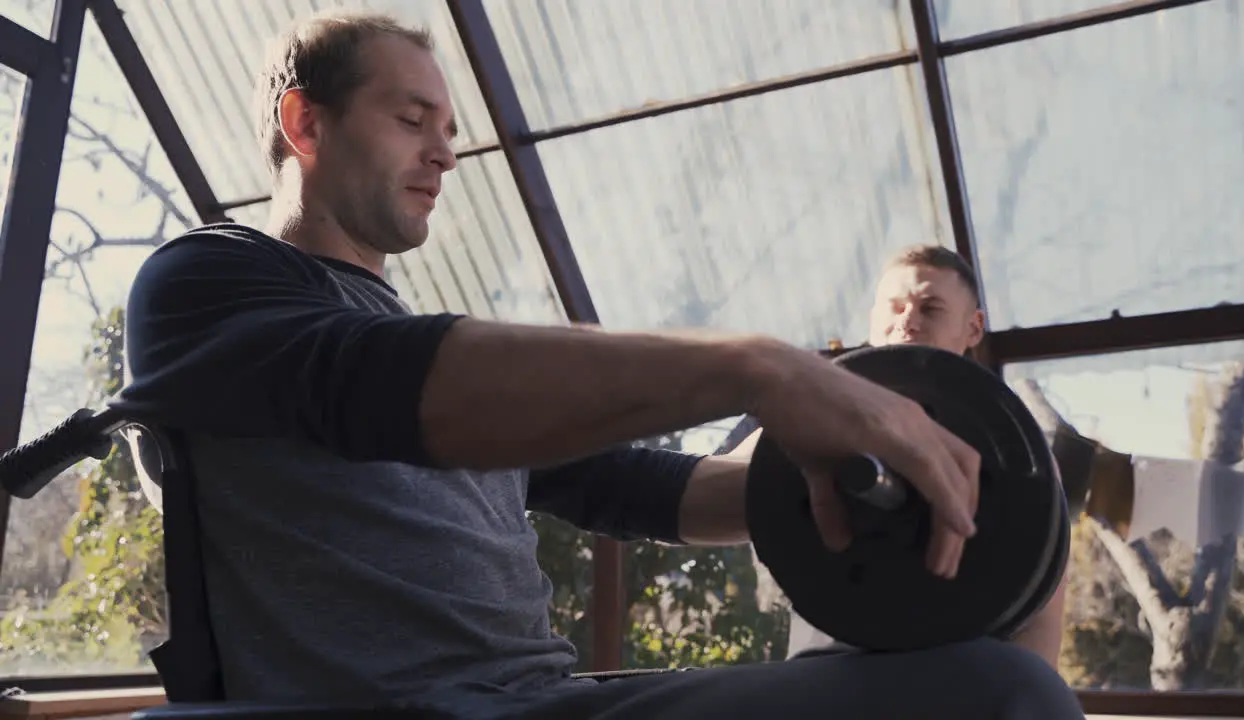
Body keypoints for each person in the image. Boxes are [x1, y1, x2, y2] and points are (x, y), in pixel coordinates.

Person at [116, 12, 1083, 720]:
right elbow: (372, 382)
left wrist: (839, 477)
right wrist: (760, 370)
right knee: (998, 698)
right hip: (408, 708)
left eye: (451, 131)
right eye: (414, 119)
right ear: (305, 123)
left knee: (986, 682)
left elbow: (634, 484)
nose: (446, 155)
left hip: (540, 695)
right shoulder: (208, 281)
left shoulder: (457, 373)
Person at [777, 245, 1070, 666]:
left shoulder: (1024, 458)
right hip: (825, 676)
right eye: (894, 308)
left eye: (930, 308)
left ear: (973, 328)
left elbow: (1041, 623)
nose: (907, 322)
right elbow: (727, 481)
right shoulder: (807, 421)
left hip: (953, 682)